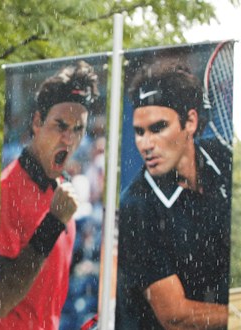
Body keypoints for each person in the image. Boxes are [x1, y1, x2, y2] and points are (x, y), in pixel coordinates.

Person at [116, 59, 231, 329]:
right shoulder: (136, 207)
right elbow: (175, 316)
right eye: (139, 132)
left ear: (190, 121)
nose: (146, 144)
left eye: (158, 128)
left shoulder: (223, 159)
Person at [0, 60, 99, 330]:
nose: (69, 139)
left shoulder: (63, 190)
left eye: (78, 129)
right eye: (60, 125)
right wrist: (53, 223)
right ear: (38, 122)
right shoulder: (7, 190)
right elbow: (1, 299)